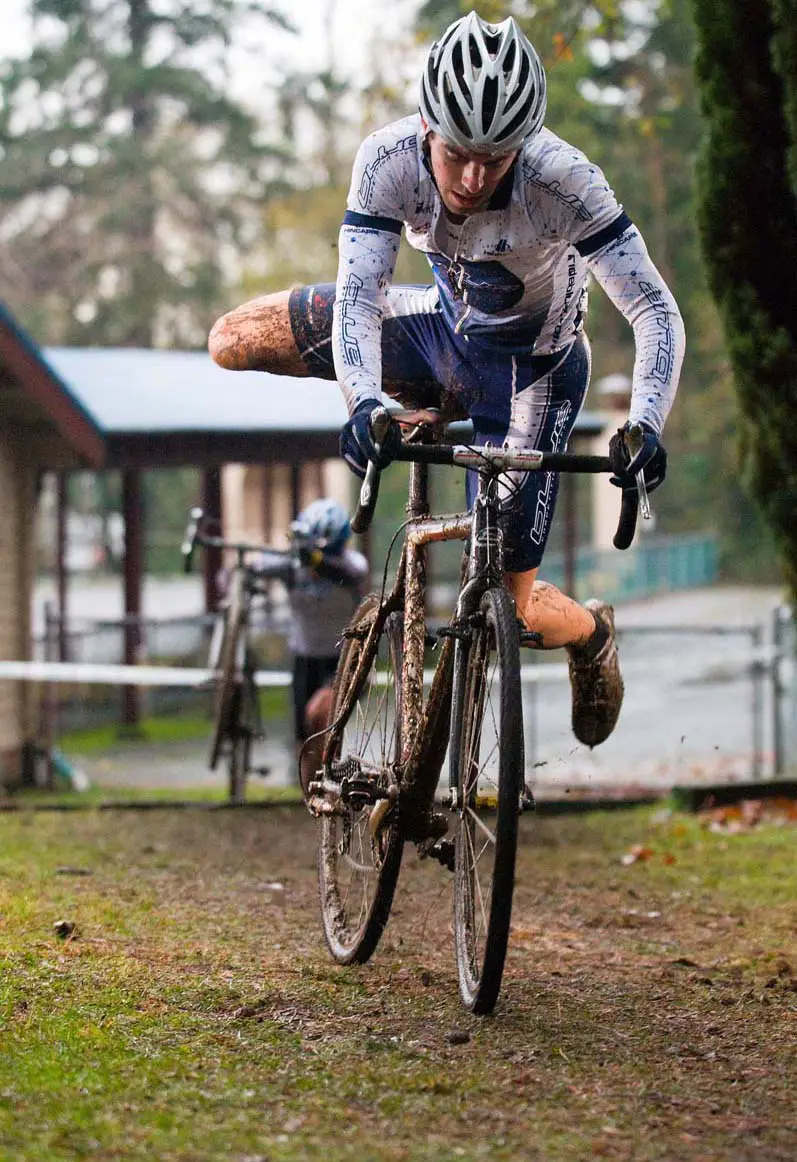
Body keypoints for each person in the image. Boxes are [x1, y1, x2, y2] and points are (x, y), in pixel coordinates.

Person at [208, 11, 685, 749]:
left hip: (533, 372)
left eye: (493, 161)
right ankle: (412, 404)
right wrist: (363, 401)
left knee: (505, 601)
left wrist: (646, 422)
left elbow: (652, 307)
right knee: (231, 340)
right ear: (427, 125)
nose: (470, 177)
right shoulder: (387, 159)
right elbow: (361, 296)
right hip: (436, 329)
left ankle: (589, 634)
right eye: (457, 153)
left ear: (521, 147)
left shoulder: (564, 181)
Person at [252, 498, 368, 792]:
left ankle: (335, 778)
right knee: (304, 738)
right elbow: (252, 565)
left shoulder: (352, 565)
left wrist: (315, 559)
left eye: (324, 554)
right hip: (305, 659)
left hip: (344, 659)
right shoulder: (291, 567)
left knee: (321, 714)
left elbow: (350, 575)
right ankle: (312, 800)